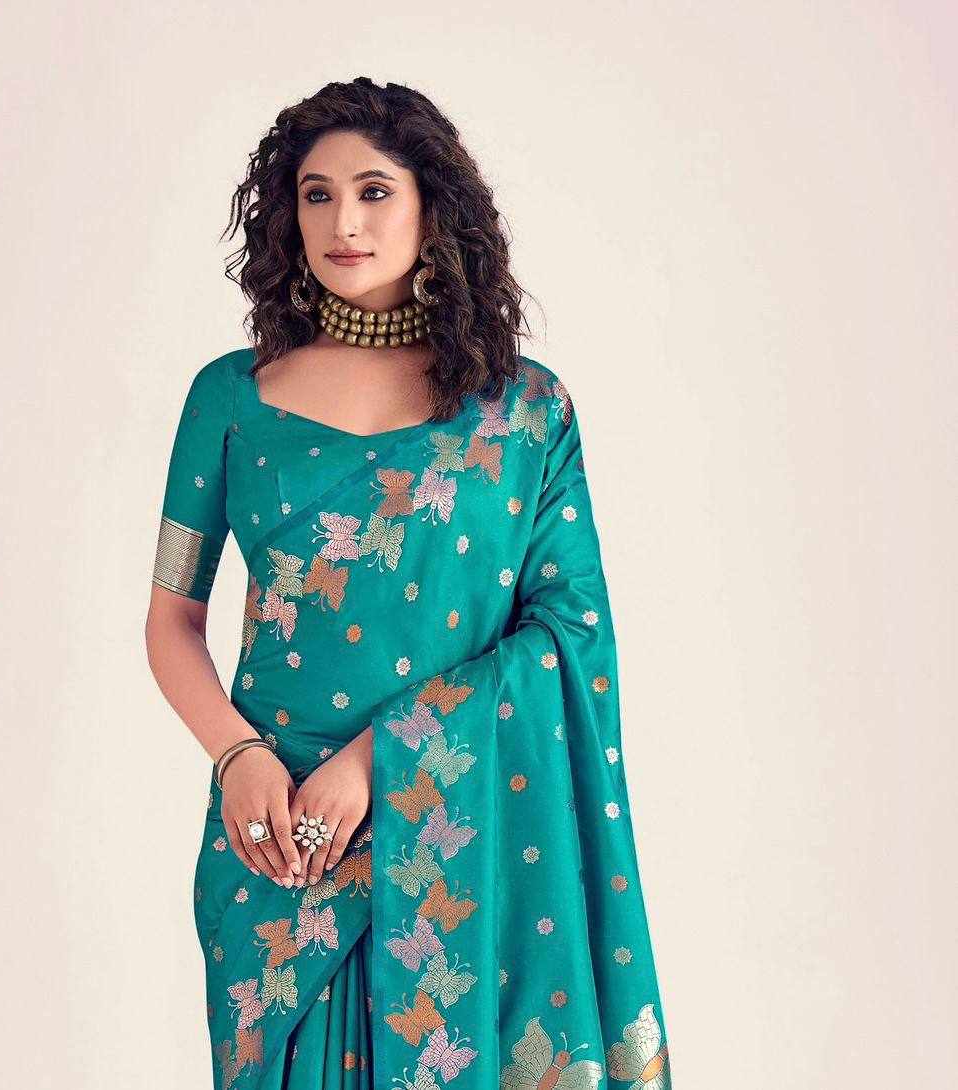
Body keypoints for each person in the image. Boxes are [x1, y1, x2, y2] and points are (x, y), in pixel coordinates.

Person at [145, 77, 673, 1090]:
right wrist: (237, 756)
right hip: (280, 839)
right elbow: (172, 618)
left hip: (465, 832)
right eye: (316, 194)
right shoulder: (229, 400)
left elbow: (569, 630)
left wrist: (382, 759)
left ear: (434, 206)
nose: (343, 222)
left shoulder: (523, 411)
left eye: (374, 191)